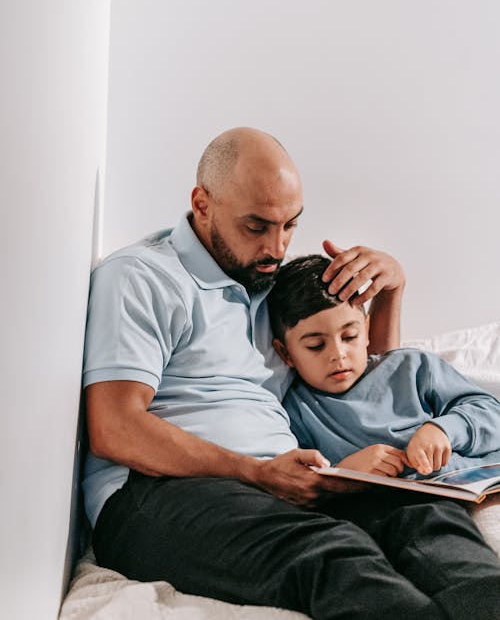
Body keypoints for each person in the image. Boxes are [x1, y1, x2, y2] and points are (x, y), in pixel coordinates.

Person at [83, 128, 500, 620]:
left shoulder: (273, 290)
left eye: (289, 226)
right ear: (202, 204)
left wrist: (391, 292)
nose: (276, 247)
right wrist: (258, 473)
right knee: (335, 556)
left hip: (287, 484)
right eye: (257, 226)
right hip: (157, 492)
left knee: (427, 516)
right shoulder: (142, 277)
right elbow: (114, 427)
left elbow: (367, 386)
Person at [268, 254, 500, 480]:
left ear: (366, 331)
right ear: (285, 352)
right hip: (390, 504)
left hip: (471, 479)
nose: (338, 355)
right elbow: (300, 481)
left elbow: (491, 413)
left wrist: (445, 429)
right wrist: (344, 471)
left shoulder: (412, 367)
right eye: (316, 345)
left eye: (350, 336)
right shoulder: (297, 411)